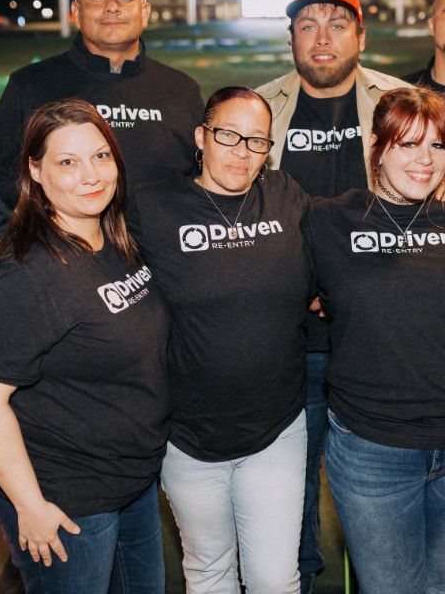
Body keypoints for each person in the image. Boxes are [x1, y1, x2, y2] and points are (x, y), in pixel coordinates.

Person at [308, 87, 445, 594]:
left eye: (437, 145)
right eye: (407, 143)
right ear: (376, 147)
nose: (424, 160)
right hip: (373, 450)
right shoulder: (328, 221)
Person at [0, 98, 170, 594]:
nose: (90, 175)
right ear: (35, 171)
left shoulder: (116, 239)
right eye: (67, 162)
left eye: (100, 156)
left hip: (132, 482)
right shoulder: (24, 274)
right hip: (67, 499)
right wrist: (29, 505)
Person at [255, 0, 412, 594]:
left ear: (360, 36)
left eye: (337, 24)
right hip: (286, 340)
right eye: (308, 25)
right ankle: (300, 579)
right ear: (291, 37)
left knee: (379, 488)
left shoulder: (401, 102)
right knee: (288, 489)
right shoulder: (260, 109)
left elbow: (428, 208)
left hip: (375, 335)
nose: (322, 38)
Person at [128, 87, 312, 593]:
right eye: (228, 135)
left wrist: (437, 202)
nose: (242, 151)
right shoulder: (153, 207)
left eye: (257, 141)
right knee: (209, 571)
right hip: (187, 435)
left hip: (275, 428)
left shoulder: (285, 195)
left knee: (274, 579)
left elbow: (345, 236)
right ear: (200, 137)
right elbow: (91, 256)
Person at [0, 0, 203, 245]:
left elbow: (201, 184)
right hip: (65, 264)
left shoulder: (182, 90)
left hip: (164, 264)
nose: (112, 7)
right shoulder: (30, 85)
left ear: (145, 11)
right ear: (76, 11)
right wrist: (5, 255)